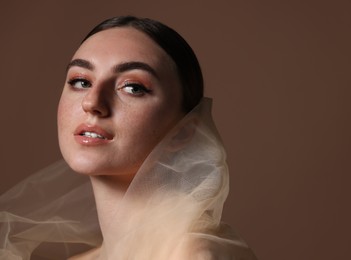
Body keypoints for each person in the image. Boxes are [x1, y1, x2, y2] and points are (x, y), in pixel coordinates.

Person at [0, 16, 257, 259]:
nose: (92, 102)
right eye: (80, 81)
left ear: (184, 130)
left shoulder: (193, 254)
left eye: (133, 87)